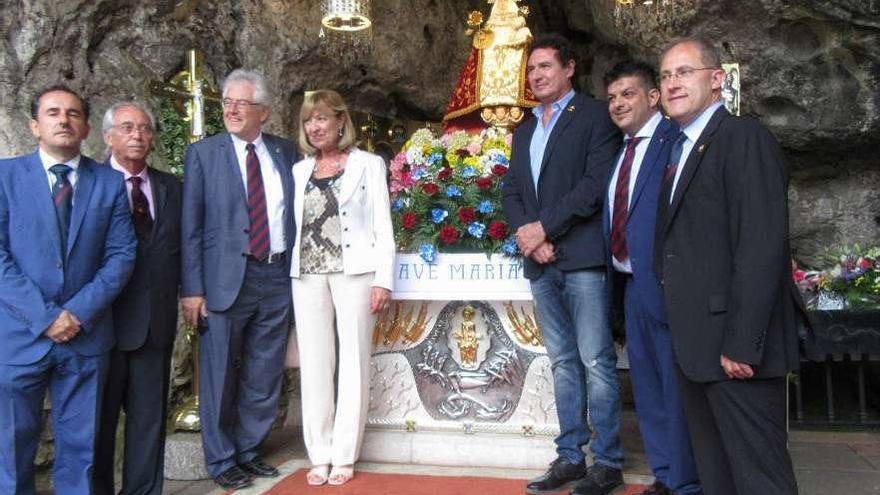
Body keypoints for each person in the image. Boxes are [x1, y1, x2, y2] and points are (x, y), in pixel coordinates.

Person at [654, 37, 803, 494]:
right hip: (698, 348)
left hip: (735, 352)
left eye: (684, 72)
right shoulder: (679, 149)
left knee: (760, 479)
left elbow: (760, 246)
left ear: (717, 81)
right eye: (665, 76)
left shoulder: (742, 137)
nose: (672, 83)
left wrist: (742, 343)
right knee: (718, 476)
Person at [501, 33, 624, 495]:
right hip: (541, 263)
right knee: (563, 364)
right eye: (532, 69)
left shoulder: (594, 116)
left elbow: (595, 187)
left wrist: (543, 230)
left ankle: (608, 462)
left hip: (583, 260)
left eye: (546, 66)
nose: (537, 76)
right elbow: (511, 191)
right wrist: (531, 239)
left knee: (595, 361)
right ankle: (571, 457)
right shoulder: (525, 128)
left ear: (569, 68)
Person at [0, 85, 136, 494]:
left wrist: (75, 314)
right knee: (10, 445)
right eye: (54, 112)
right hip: (20, 336)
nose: (64, 120)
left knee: (83, 448)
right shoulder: (5, 177)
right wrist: (46, 317)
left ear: (87, 127)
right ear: (34, 125)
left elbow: (121, 256)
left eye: (74, 113)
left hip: (85, 335)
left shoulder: (109, 183)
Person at [180, 69, 298, 491]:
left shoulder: (286, 153)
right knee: (219, 374)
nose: (230, 109)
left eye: (241, 103)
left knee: (264, 372)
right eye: (226, 102)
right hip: (225, 281)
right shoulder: (203, 154)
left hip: (277, 275)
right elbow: (190, 226)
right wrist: (192, 289)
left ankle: (249, 450)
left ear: (263, 112)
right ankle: (222, 458)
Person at [603, 61, 701, 495]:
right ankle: (665, 474)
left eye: (627, 94)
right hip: (630, 286)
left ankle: (685, 481)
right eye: (611, 97)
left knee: (674, 387)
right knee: (646, 386)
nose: (618, 104)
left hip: (666, 284)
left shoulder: (673, 142)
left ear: (653, 97)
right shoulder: (620, 150)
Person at [288, 89, 394, 487]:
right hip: (308, 274)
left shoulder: (368, 164)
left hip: (356, 273)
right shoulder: (300, 170)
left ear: (340, 121)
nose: (315, 127)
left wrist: (384, 278)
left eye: (321, 119)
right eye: (308, 121)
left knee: (353, 362)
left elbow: (383, 224)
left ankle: (345, 454)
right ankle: (320, 452)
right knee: (315, 365)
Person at [93, 102, 182, 495]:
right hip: (101, 326)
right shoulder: (90, 183)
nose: (137, 135)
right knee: (96, 425)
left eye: (145, 129)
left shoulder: (171, 187)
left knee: (148, 425)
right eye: (127, 128)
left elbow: (186, 248)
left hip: (153, 325)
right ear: (108, 135)